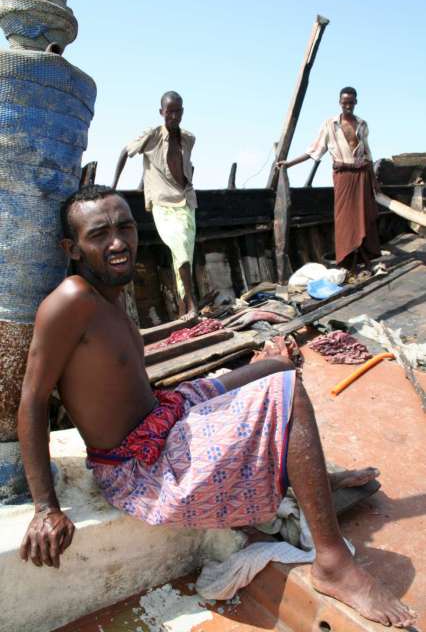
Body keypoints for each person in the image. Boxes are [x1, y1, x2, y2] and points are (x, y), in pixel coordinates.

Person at [17, 185, 416, 628]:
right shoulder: (71, 301)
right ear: (72, 249)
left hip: (164, 417)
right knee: (288, 393)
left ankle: (309, 477)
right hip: (142, 466)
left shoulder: (109, 295)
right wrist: (45, 508)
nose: (118, 242)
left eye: (125, 227)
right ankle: (334, 562)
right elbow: (32, 401)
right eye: (100, 234)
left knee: (276, 365)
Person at [278, 87, 383, 276]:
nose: (348, 105)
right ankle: (346, 262)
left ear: (356, 102)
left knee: (365, 217)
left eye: (351, 102)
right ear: (340, 103)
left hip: (362, 175)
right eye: (345, 102)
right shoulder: (330, 124)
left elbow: (367, 154)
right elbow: (314, 151)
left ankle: (366, 260)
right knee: (344, 220)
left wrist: (374, 182)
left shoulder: (362, 124)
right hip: (342, 175)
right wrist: (289, 163)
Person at [112, 91, 198, 319]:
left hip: (187, 202)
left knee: (184, 255)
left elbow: (184, 166)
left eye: (177, 111)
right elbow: (125, 152)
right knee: (180, 247)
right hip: (163, 203)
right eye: (169, 111)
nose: (173, 116)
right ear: (162, 112)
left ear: (182, 112)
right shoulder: (152, 135)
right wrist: (113, 185)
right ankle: (191, 302)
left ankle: (183, 310)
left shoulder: (189, 138)